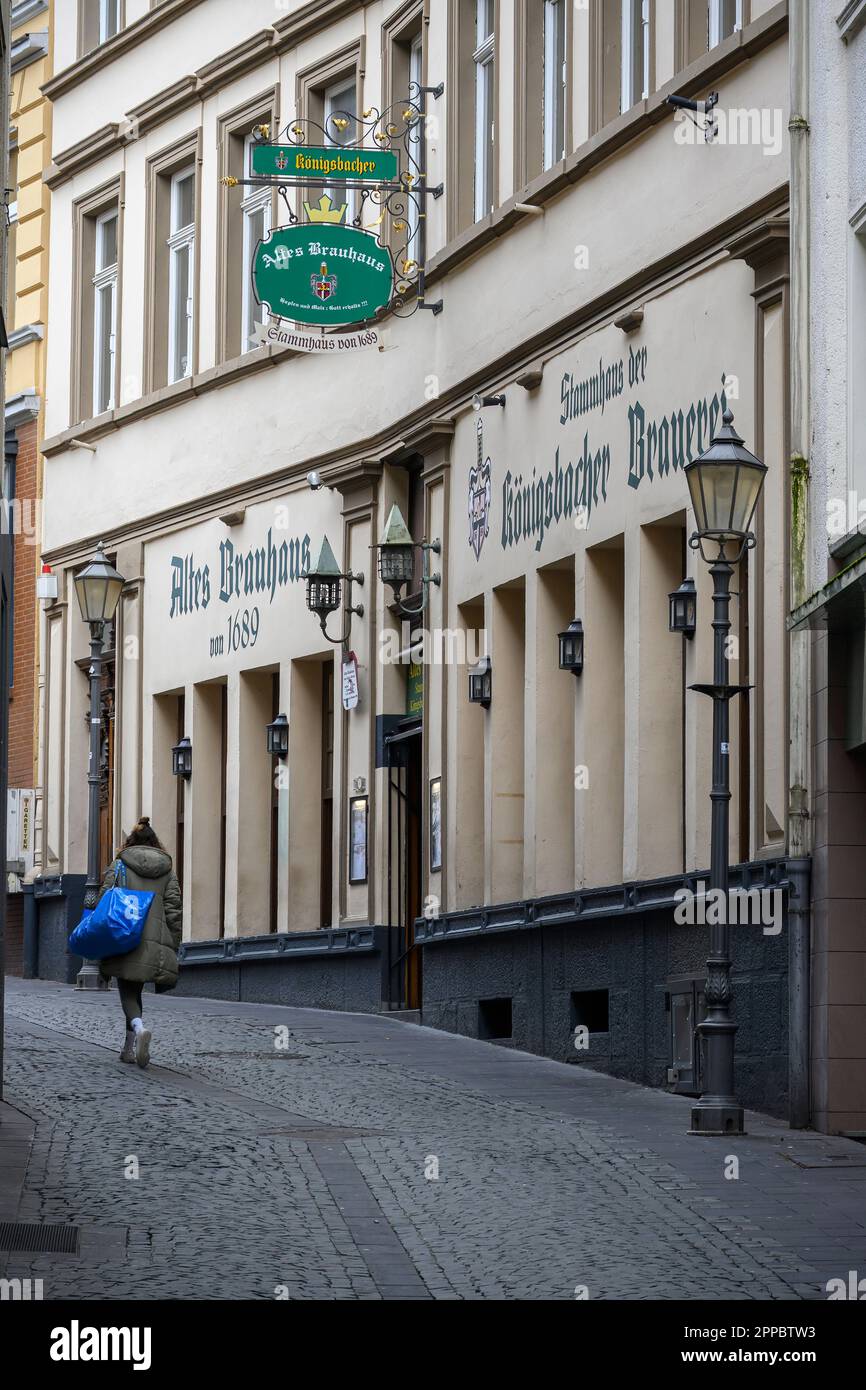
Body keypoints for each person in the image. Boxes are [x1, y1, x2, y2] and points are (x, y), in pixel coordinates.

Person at [97, 817, 182, 1069]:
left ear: (130, 841)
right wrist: (172, 943)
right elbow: (174, 908)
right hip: (154, 940)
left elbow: (104, 898)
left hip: (125, 934)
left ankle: (139, 1028)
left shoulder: (121, 864)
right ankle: (128, 1048)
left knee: (126, 990)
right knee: (136, 990)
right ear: (155, 842)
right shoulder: (167, 869)